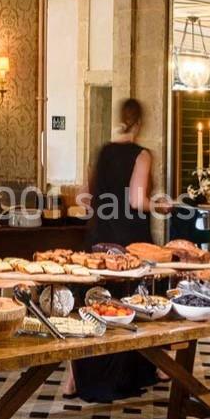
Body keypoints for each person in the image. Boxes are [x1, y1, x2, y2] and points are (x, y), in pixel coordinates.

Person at [70, 98, 169, 402]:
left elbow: (84, 196)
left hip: (99, 237)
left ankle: (73, 379)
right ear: (139, 123)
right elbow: (137, 201)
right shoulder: (142, 155)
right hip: (129, 241)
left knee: (93, 303)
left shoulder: (103, 152)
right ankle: (153, 367)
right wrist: (160, 205)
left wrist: (102, 210)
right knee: (136, 302)